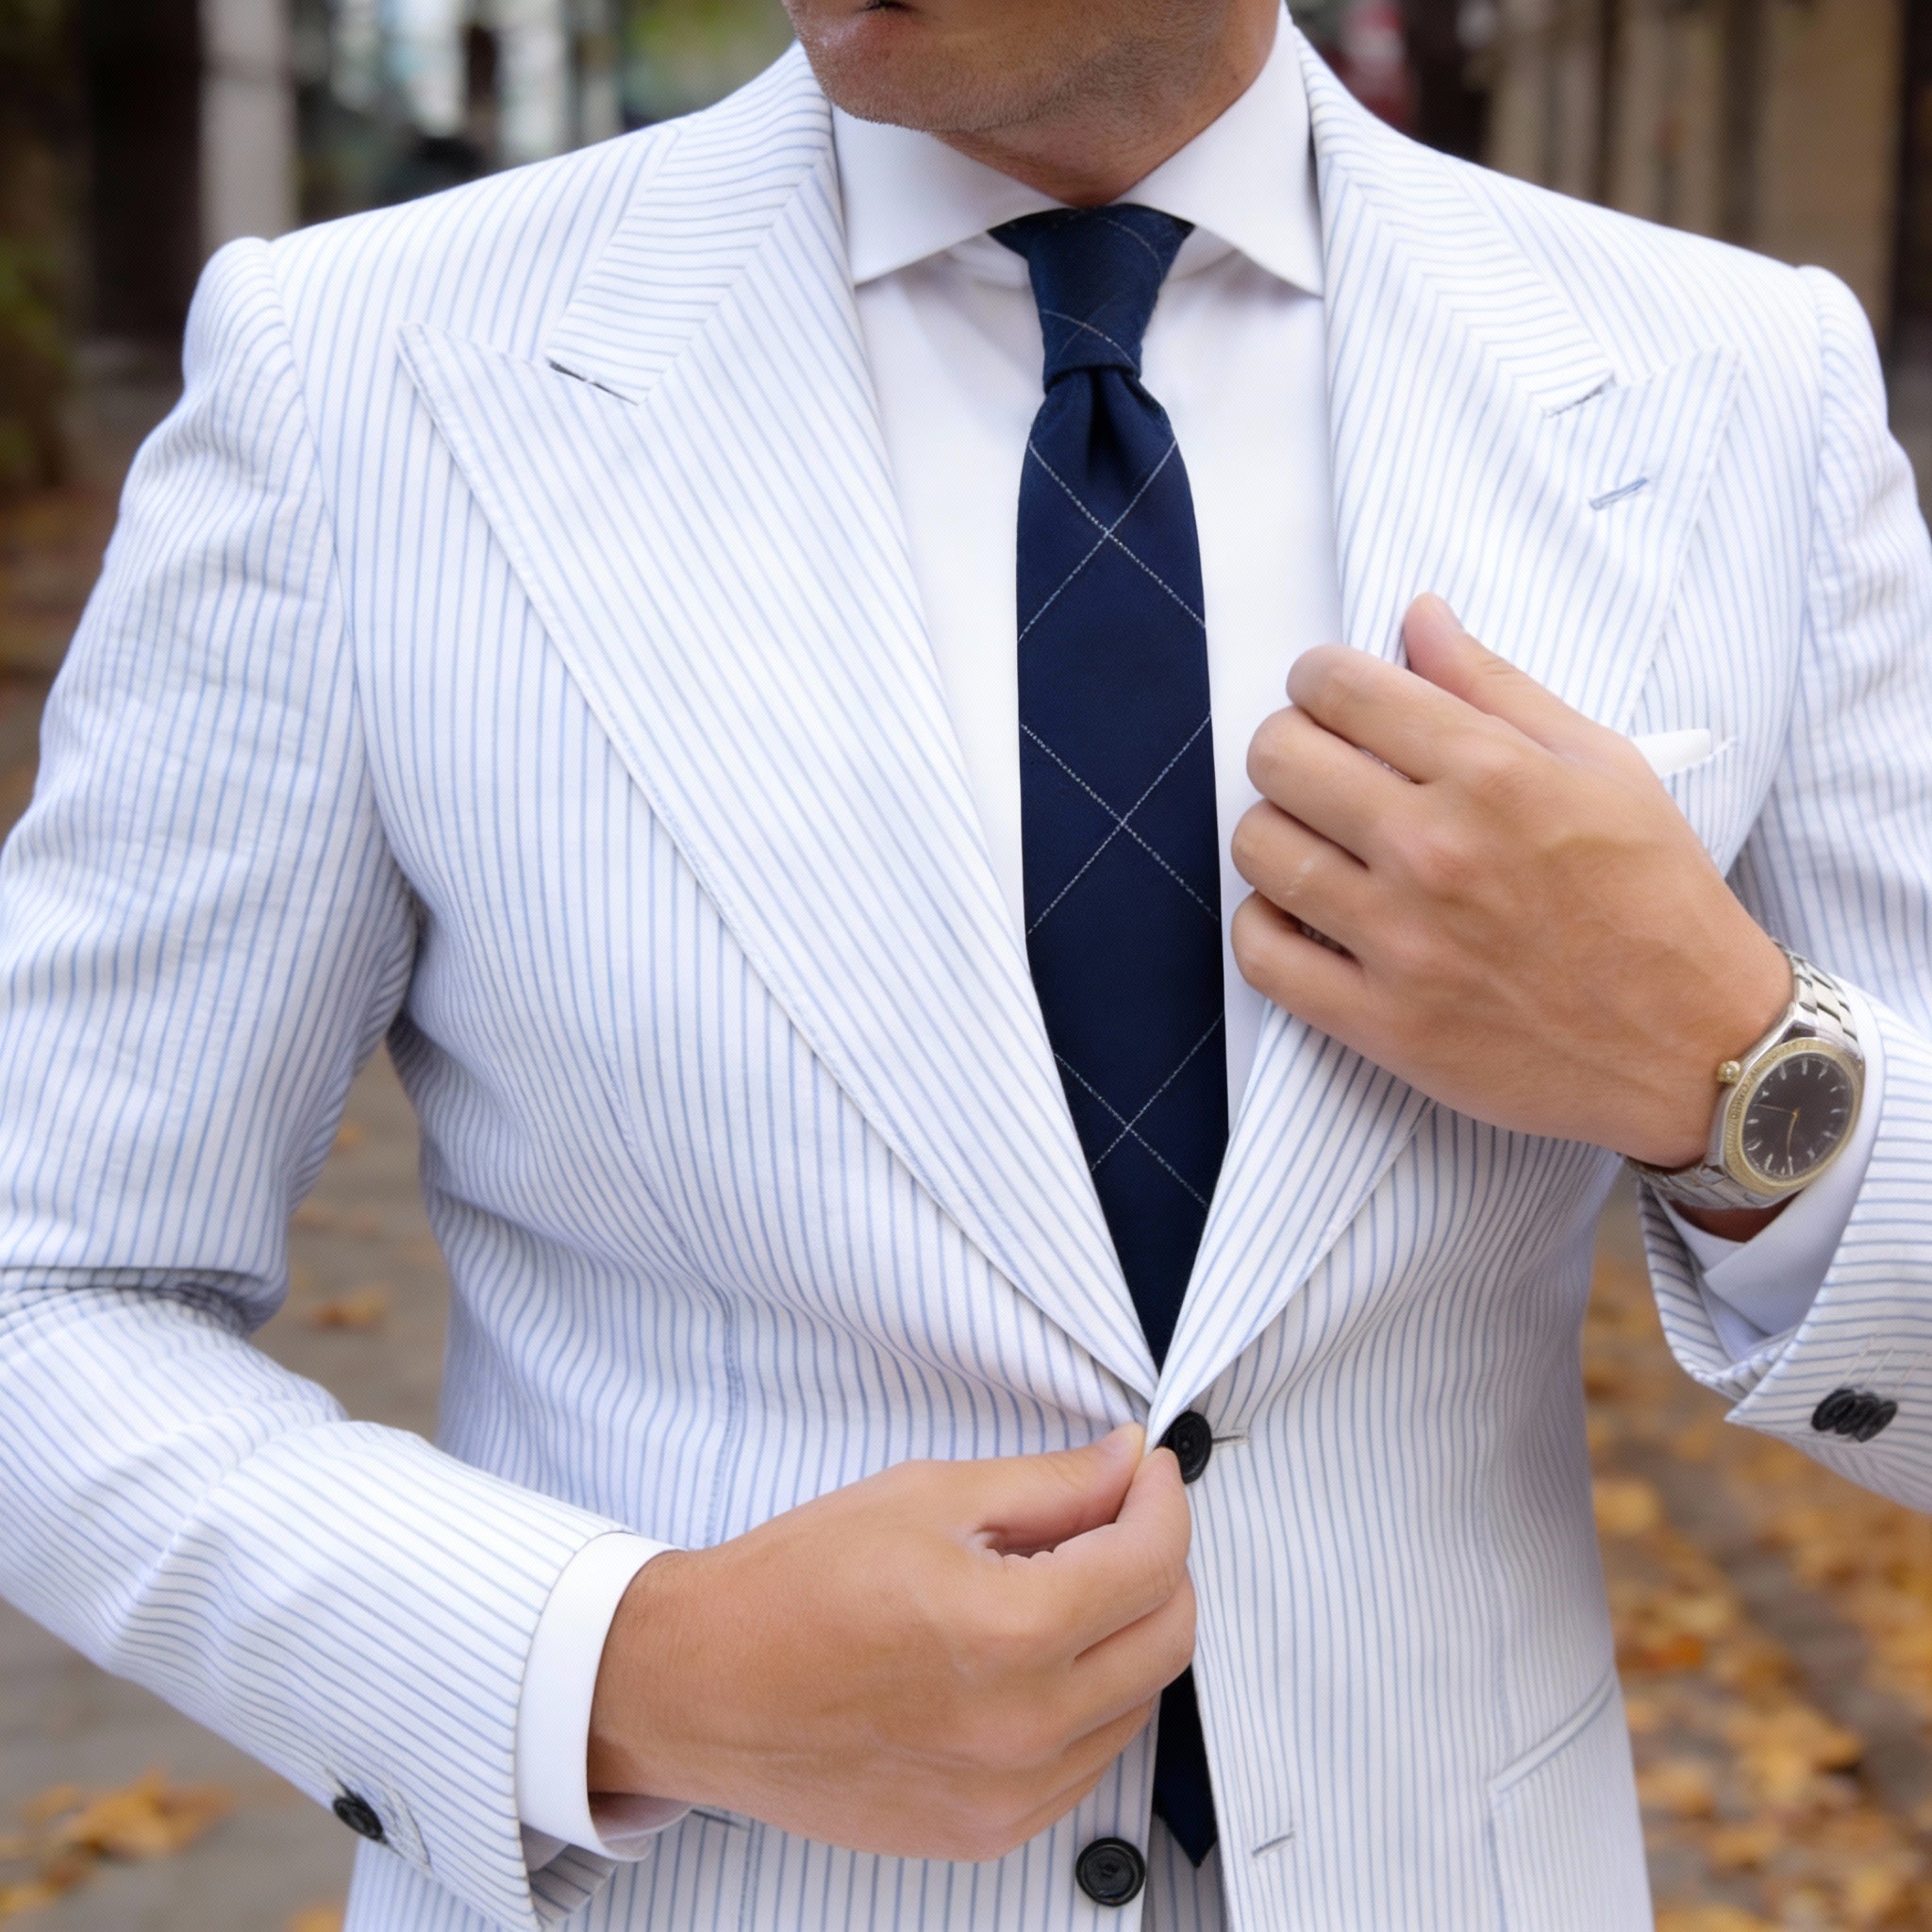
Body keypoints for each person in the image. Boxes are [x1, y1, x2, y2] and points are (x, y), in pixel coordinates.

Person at [1, 0, 1927, 1926]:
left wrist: (1735, 1066)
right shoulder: (361, 377)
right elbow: (49, 1284)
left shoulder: (1738, 388)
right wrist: (623, 1670)